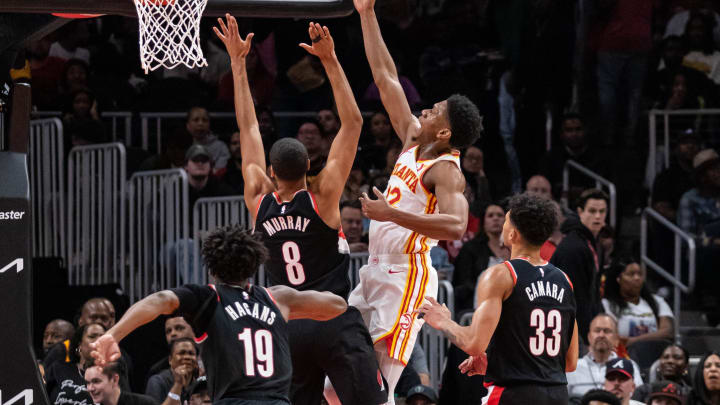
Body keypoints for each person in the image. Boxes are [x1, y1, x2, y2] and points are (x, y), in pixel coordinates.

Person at [210, 17, 386, 405]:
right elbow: (353, 123)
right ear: (310, 166)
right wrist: (330, 60)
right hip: (332, 318)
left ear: (271, 173)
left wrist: (238, 64)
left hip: (286, 325)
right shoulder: (322, 195)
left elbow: (249, 127)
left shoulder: (258, 195)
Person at [353, 0, 484, 400]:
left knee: (378, 388)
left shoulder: (447, 170)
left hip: (406, 275)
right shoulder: (413, 138)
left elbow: (456, 225)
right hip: (374, 269)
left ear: (444, 133)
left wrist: (390, 213)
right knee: (338, 382)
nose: (425, 110)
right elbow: (385, 75)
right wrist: (366, 14)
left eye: (434, 112)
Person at [90, 225, 348, 404]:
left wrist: (113, 335)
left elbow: (159, 300)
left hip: (233, 399)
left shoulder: (208, 297)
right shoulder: (277, 298)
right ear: (254, 264)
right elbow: (337, 305)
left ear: (212, 268)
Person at [420, 193, 579, 404]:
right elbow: (569, 363)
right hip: (557, 395)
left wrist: (443, 321)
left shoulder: (501, 275)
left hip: (513, 395)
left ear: (513, 234)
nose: (502, 227)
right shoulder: (565, 280)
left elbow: (474, 344)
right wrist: (499, 364)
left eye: (505, 221)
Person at [551, 189, 609, 344]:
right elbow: (575, 298)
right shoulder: (573, 248)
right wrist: (588, 336)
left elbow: (593, 294)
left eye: (602, 211)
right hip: (567, 330)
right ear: (580, 212)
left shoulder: (594, 245)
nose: (597, 216)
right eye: (592, 211)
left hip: (582, 326)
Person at [567, 314, 644, 400]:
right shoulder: (572, 367)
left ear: (616, 339)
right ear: (589, 337)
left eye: (607, 331)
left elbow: (638, 398)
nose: (601, 335)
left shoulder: (629, 365)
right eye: (597, 330)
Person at [601, 259, 674, 346]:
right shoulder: (607, 304)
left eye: (640, 274)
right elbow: (614, 338)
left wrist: (632, 341)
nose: (637, 278)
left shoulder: (657, 301)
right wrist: (654, 336)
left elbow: (667, 332)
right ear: (618, 279)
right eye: (631, 274)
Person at [451, 203, 509, 314]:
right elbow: (463, 282)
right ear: (483, 222)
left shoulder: (513, 248)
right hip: (476, 305)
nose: (495, 218)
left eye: (500, 215)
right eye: (490, 216)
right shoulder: (470, 249)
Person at [45, 323, 105, 405]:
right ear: (80, 345)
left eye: (103, 337)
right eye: (92, 336)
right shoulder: (58, 368)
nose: (98, 340)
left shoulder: (111, 374)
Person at [678, 149, 720, 236]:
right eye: (713, 169)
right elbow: (686, 238)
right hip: (707, 247)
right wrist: (713, 241)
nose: (718, 173)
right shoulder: (690, 199)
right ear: (702, 176)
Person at [145, 338, 199, 405]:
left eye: (191, 354)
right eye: (181, 353)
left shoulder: (199, 384)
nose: (187, 357)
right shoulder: (157, 381)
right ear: (170, 360)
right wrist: (178, 383)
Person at [85, 362, 158, 405]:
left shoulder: (145, 403)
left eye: (96, 381)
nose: (90, 388)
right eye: (88, 383)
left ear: (114, 380)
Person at [185, 106, 230, 172]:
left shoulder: (221, 147)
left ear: (209, 124)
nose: (200, 123)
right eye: (196, 120)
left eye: (204, 120)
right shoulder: (180, 147)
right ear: (188, 125)